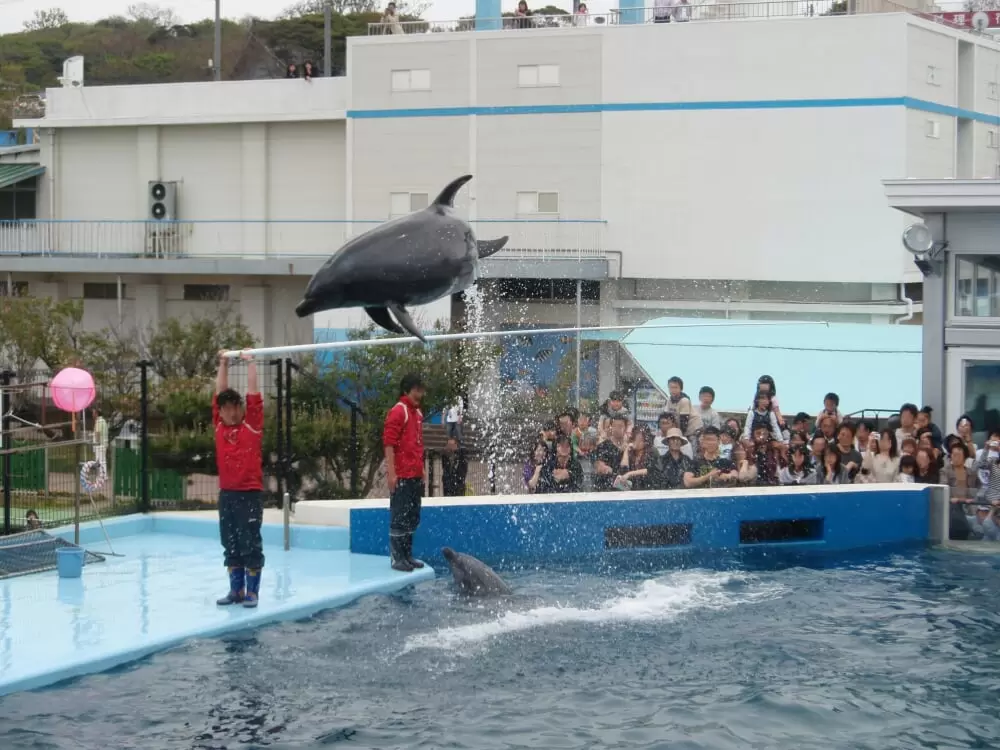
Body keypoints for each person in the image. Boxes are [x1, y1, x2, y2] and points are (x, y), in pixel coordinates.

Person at [213, 352, 265, 609]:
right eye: (226, 408)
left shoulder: (251, 425)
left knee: (250, 543)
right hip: (227, 495)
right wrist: (223, 363)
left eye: (236, 407)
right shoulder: (219, 427)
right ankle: (236, 590)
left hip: (249, 494)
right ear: (220, 411)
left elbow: (254, 394)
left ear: (242, 408)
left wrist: (251, 363)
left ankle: (252, 593)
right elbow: (219, 390)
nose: (231, 412)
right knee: (230, 542)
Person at [383, 374, 427, 572]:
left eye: (421, 390)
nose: (420, 394)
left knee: (412, 517)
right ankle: (396, 557)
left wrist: (422, 469)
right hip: (402, 475)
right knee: (399, 517)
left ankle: (407, 555)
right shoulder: (398, 411)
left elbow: (417, 445)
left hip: (415, 474)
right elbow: (389, 443)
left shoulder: (417, 414)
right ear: (407, 391)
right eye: (417, 389)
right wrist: (391, 474)